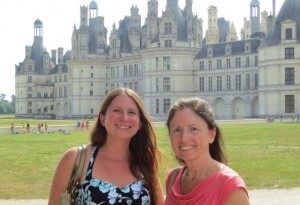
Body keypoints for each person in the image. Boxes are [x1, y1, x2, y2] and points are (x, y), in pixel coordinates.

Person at [48, 87, 164, 205]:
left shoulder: (146, 162)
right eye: (117, 111)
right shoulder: (75, 158)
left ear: (140, 123)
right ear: (102, 119)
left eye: (131, 112)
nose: (124, 118)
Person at [164, 97, 249, 205]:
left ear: (211, 134)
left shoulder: (230, 186)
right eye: (177, 130)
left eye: (193, 129)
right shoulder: (173, 178)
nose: (184, 138)